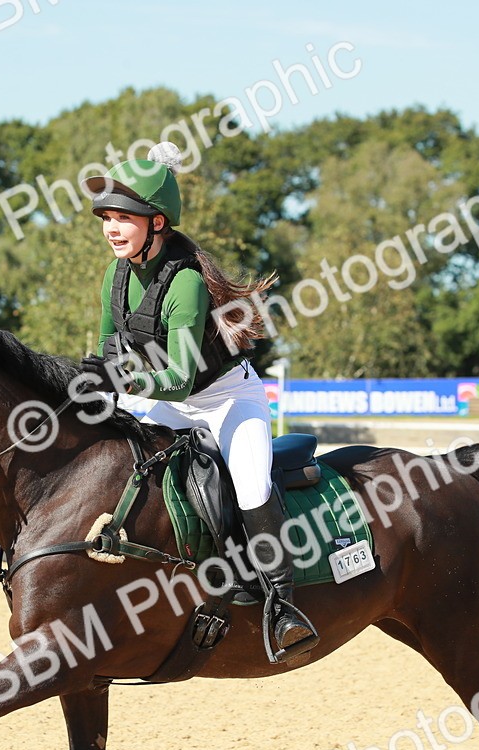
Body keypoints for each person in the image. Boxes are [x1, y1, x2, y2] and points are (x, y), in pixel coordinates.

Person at [78, 144, 318, 663]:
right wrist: (92, 380)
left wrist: (116, 378)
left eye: (125, 218)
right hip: (161, 397)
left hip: (224, 400)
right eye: (108, 218)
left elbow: (179, 380)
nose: (112, 229)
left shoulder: (185, 282)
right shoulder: (114, 275)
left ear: (157, 221)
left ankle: (282, 606)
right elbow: (104, 348)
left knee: (251, 486)